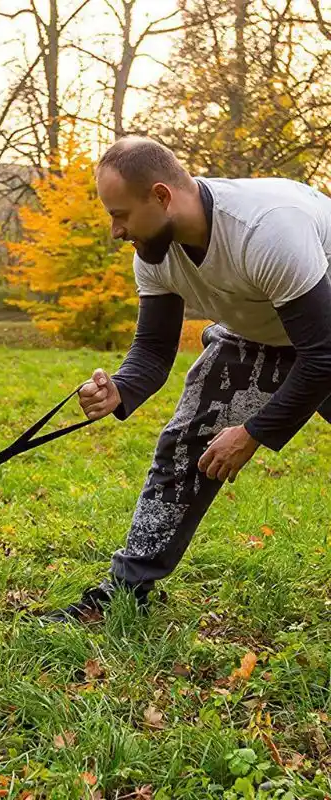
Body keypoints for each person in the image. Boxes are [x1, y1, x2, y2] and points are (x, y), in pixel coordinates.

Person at [45, 136, 331, 623]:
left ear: (161, 196)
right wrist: (121, 388)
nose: (116, 232)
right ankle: (126, 590)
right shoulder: (155, 252)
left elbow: (324, 353)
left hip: (326, 334)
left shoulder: (266, 229)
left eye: (121, 215)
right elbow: (154, 349)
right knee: (184, 444)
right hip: (258, 332)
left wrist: (253, 433)